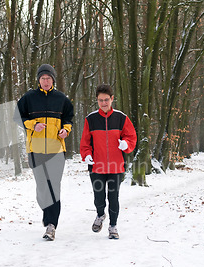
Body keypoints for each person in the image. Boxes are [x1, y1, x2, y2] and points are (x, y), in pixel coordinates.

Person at [16, 64, 74, 241]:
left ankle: (51, 225)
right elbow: (18, 117)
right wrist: (33, 124)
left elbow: (68, 118)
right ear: (39, 80)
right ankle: (46, 212)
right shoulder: (29, 98)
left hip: (57, 150)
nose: (46, 81)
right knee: (42, 187)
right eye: (43, 78)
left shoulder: (61, 99)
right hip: (36, 149)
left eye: (49, 78)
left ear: (53, 80)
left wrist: (65, 130)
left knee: (53, 187)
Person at [80, 84, 137, 239]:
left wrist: (126, 144)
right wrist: (86, 155)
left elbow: (131, 136)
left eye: (106, 100)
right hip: (96, 167)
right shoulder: (90, 119)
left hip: (115, 166)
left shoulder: (121, 118)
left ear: (112, 99)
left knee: (113, 197)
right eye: (100, 100)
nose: (104, 103)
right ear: (97, 101)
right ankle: (100, 214)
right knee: (99, 197)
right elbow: (85, 142)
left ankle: (113, 227)